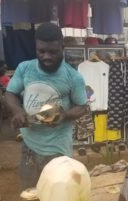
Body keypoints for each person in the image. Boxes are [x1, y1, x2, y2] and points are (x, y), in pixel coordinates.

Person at [5, 22, 88, 189]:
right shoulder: (25, 69)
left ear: (62, 48)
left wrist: (64, 116)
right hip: (29, 145)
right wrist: (18, 111)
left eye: (53, 51)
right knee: (29, 193)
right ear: (35, 47)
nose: (46, 56)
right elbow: (10, 94)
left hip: (57, 149)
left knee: (57, 194)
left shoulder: (73, 77)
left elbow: (83, 107)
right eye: (41, 51)